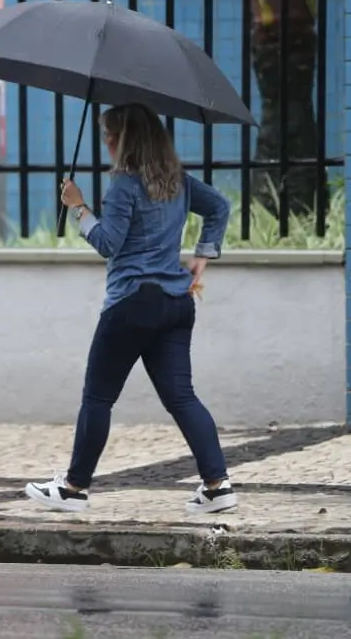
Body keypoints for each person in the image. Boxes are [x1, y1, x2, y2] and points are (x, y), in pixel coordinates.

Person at [25, 102, 237, 516]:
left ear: (124, 141)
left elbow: (108, 243)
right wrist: (203, 256)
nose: (106, 142)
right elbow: (221, 207)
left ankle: (73, 488)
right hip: (176, 303)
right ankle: (218, 485)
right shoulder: (177, 181)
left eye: (109, 134)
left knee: (98, 397)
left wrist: (78, 207)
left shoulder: (124, 185)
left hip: (132, 304)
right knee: (182, 397)